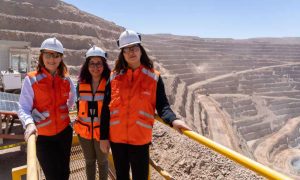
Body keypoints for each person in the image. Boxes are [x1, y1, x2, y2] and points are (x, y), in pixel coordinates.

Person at [99, 30, 191, 180]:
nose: (131, 52)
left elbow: (162, 106)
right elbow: (105, 109)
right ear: (122, 53)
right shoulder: (114, 77)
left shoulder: (154, 77)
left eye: (134, 47)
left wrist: (173, 120)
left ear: (141, 50)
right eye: (127, 49)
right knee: (121, 176)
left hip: (140, 140)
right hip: (117, 140)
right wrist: (103, 137)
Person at [18, 37, 76, 180]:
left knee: (64, 172)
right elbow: (23, 107)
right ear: (41, 56)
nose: (52, 59)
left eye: (56, 55)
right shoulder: (31, 79)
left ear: (61, 58)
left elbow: (72, 99)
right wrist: (29, 123)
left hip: (64, 133)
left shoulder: (66, 79)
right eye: (48, 55)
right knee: (52, 175)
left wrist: (63, 112)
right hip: (43, 138)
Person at [73, 46, 110, 180]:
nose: (95, 67)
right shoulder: (80, 84)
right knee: (89, 162)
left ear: (104, 65)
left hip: (103, 134)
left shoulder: (110, 84)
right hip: (84, 133)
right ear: (87, 65)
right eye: (92, 63)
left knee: (103, 162)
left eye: (99, 63)